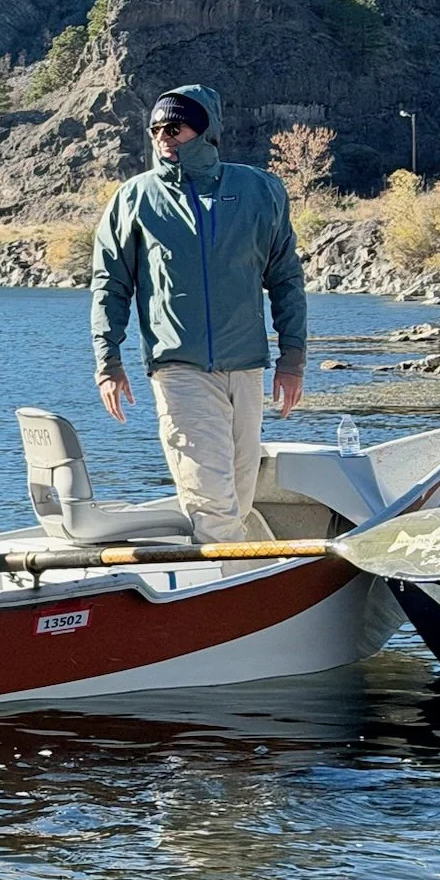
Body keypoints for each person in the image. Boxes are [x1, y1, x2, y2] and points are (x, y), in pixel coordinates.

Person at [90, 83, 307, 544]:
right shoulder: (134, 200)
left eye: (175, 126)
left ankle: (234, 588)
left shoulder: (259, 190)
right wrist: (108, 362)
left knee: (240, 496)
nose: (163, 137)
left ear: (205, 131)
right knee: (213, 502)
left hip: (245, 368)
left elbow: (285, 279)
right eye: (155, 129)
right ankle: (226, 609)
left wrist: (292, 360)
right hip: (179, 371)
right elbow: (111, 285)